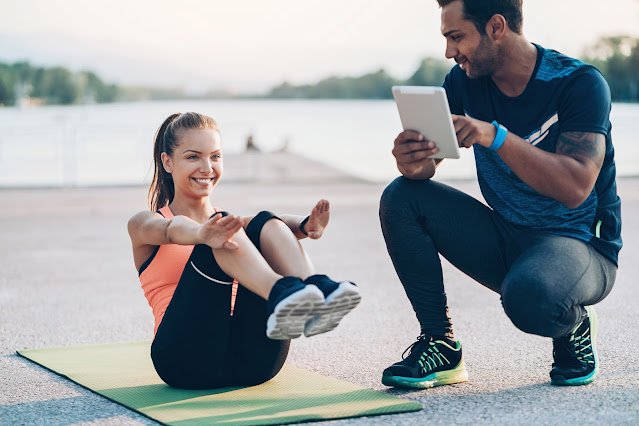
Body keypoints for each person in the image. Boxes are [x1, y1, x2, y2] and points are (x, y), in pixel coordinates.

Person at [379, 0, 621, 389]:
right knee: (401, 196)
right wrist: (412, 163)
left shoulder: (579, 83)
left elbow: (576, 188)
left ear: (495, 27)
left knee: (530, 299)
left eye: (456, 37)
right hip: (507, 236)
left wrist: (496, 136)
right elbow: (428, 167)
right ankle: (440, 343)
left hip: (578, 246)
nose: (448, 51)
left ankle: (572, 323)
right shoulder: (461, 82)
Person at [127, 112, 360, 389]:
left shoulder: (228, 222)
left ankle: (315, 289)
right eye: (193, 157)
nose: (207, 167)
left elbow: (270, 225)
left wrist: (305, 225)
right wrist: (202, 233)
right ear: (168, 162)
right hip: (185, 361)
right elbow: (171, 229)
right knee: (220, 234)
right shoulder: (144, 223)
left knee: (261, 222)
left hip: (257, 362)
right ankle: (281, 292)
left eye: (215, 156)